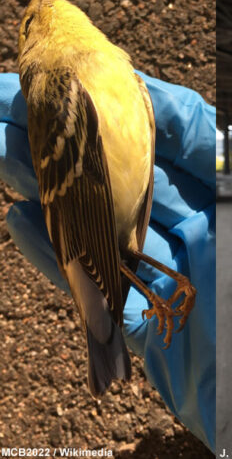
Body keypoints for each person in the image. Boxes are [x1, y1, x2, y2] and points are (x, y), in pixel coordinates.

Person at [0, 71, 216, 451]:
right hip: (97, 226)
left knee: (125, 250)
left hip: (124, 218)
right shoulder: (63, 89)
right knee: (119, 252)